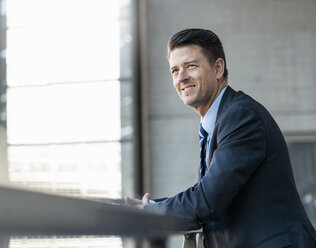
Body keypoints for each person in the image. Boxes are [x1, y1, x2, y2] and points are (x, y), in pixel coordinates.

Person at [125, 28, 316, 247]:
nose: (182, 77)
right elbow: (210, 197)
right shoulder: (218, 122)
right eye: (175, 70)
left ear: (218, 68)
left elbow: (209, 200)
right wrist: (154, 206)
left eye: (191, 66)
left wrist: (152, 211)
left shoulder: (241, 116)